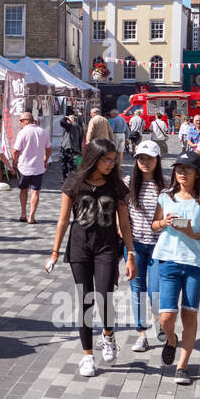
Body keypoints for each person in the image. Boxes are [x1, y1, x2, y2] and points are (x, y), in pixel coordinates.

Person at [47, 138, 133, 376]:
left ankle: (108, 335)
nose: (111, 164)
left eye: (113, 160)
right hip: (79, 248)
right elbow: (63, 220)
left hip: (106, 247)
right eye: (107, 160)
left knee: (105, 294)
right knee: (85, 300)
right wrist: (54, 252)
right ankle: (87, 356)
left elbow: (124, 224)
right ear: (94, 159)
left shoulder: (116, 186)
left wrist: (131, 253)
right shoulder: (74, 183)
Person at [150, 151, 200, 385]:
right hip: (168, 260)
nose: (181, 173)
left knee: (189, 315)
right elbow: (154, 225)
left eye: (187, 169)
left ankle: (183, 365)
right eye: (178, 168)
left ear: (197, 173)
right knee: (166, 317)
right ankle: (171, 339)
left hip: (194, 265)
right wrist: (164, 222)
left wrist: (193, 233)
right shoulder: (166, 196)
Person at [127, 140, 167, 352]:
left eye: (149, 158)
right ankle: (141, 333)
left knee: (155, 290)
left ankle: (159, 321)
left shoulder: (167, 186)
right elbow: (121, 214)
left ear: (157, 159)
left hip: (158, 247)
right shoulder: (129, 183)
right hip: (134, 245)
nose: (144, 162)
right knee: (137, 289)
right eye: (141, 158)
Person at [12, 112, 50, 223]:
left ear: (26, 120)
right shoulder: (43, 132)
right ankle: (31, 217)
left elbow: (15, 150)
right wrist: (45, 160)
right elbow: (48, 149)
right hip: (38, 166)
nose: (20, 123)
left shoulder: (22, 133)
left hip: (24, 166)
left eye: (21, 120)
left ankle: (23, 214)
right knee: (35, 192)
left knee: (23, 190)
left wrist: (14, 162)